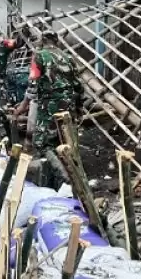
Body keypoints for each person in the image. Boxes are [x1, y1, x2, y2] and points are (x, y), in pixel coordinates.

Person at [14, 30, 83, 173]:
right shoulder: (68, 57)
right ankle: (70, 171)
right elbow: (78, 86)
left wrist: (23, 105)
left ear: (42, 41)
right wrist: (79, 108)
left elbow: (33, 84)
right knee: (65, 139)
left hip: (48, 106)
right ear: (56, 41)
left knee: (42, 142)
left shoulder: (38, 56)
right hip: (68, 104)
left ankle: (58, 175)